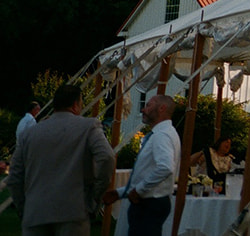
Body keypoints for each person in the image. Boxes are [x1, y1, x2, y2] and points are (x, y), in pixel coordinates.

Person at [12, 83, 114, 236]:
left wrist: (23, 206)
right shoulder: (89, 126)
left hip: (35, 212)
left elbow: (15, 174)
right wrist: (94, 197)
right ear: (75, 105)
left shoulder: (30, 133)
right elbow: (106, 157)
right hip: (73, 210)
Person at [104, 93, 180, 236]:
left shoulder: (162, 135)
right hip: (150, 202)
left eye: (149, 105)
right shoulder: (162, 133)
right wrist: (120, 193)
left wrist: (139, 190)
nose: (143, 110)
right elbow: (147, 171)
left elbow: (165, 167)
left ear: (162, 108)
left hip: (150, 204)